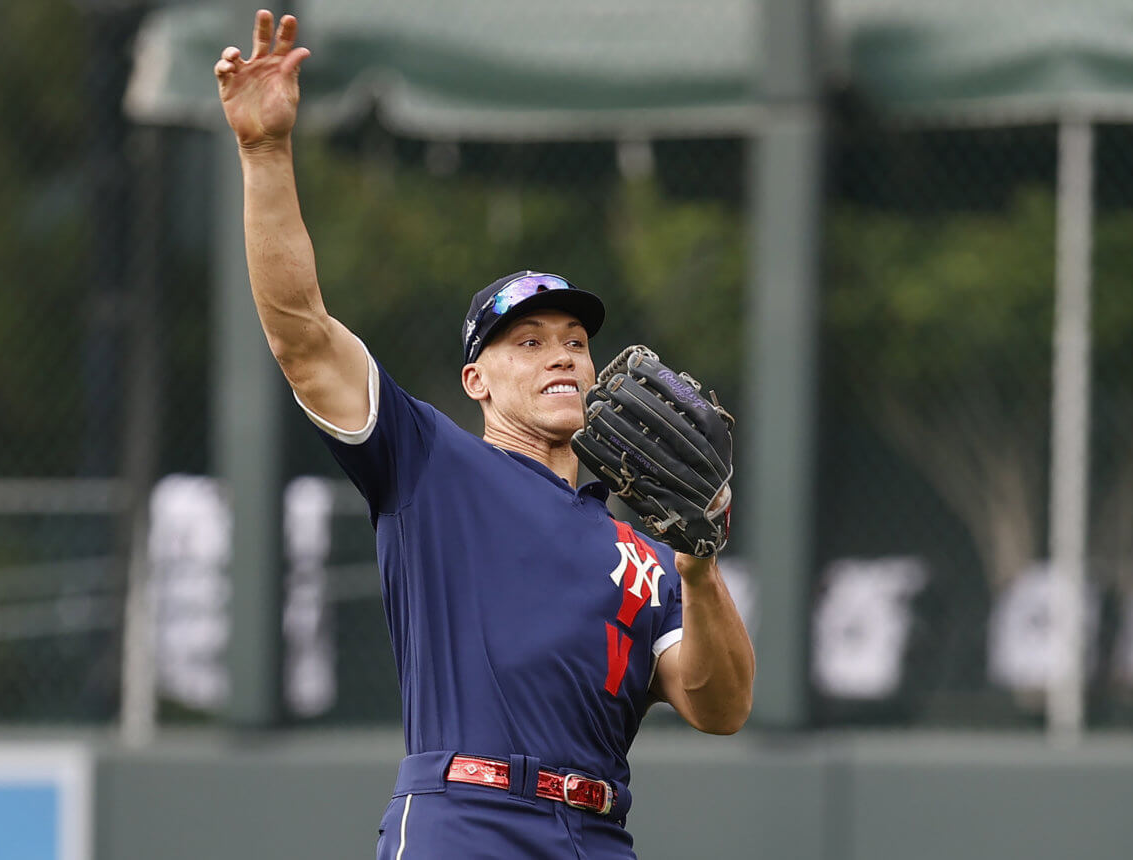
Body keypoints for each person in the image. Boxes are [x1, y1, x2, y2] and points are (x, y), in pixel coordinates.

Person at [214, 10, 754, 859]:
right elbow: (300, 332)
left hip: (597, 832)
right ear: (477, 380)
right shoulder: (427, 463)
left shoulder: (645, 556)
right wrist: (265, 155)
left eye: (575, 342)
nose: (561, 357)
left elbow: (719, 708)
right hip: (465, 819)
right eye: (528, 343)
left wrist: (701, 565)